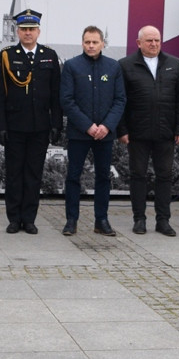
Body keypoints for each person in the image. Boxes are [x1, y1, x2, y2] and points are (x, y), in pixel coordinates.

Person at [0, 9, 62, 235]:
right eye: (23, 29)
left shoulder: (50, 56)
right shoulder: (6, 56)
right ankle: (13, 219)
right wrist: (0, 126)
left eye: (32, 29)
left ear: (38, 31)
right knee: (14, 174)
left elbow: (55, 94)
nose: (28, 33)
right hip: (14, 126)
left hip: (40, 126)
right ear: (17, 31)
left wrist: (56, 124)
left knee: (34, 174)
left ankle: (29, 218)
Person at [116, 25, 179, 237]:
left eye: (157, 40)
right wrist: (122, 130)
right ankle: (139, 219)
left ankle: (163, 220)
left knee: (164, 176)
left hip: (166, 133)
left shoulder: (174, 64)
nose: (154, 44)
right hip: (137, 133)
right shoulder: (126, 65)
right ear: (139, 43)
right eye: (149, 41)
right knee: (138, 176)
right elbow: (121, 101)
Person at [60, 26, 126, 237]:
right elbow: (67, 101)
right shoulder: (71, 66)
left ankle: (101, 220)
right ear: (82, 43)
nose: (91, 46)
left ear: (102, 43)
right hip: (79, 133)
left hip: (105, 134)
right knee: (73, 176)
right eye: (87, 42)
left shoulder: (113, 67)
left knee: (103, 178)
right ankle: (71, 220)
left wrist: (106, 126)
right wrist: (88, 126)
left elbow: (120, 100)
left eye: (95, 42)